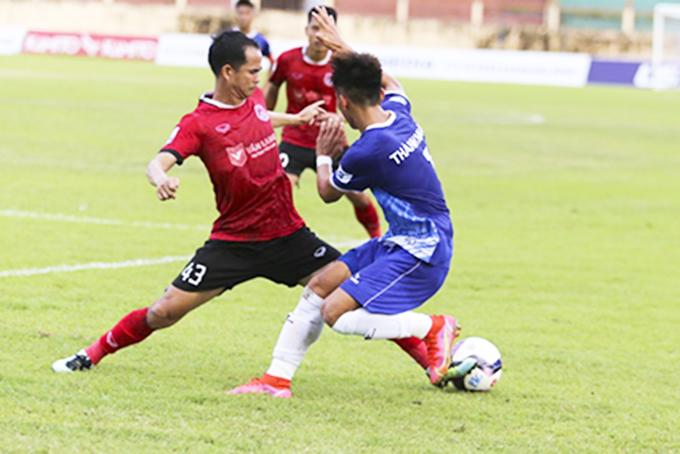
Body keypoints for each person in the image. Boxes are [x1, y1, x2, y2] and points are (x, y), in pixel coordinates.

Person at [50, 31, 339, 385]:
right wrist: (161, 180)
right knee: (164, 311)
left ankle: (428, 353)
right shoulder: (198, 124)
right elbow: (156, 163)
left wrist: (296, 119)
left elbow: (261, 115)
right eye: (251, 71)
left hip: (288, 234)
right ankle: (90, 354)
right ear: (228, 72)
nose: (258, 77)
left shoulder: (255, 98)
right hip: (234, 242)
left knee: (351, 289)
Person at [227, 7, 461, 398]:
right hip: (404, 239)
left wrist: (323, 153)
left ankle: (433, 327)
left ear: (343, 101)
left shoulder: (368, 150)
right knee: (319, 285)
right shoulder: (399, 113)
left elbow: (328, 193)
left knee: (334, 313)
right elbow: (386, 78)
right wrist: (341, 45)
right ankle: (275, 381)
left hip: (423, 251)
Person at [265, 6, 381, 239]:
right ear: (306, 29)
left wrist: (339, 117)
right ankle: (273, 241)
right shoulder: (287, 60)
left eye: (324, 29)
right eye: (314, 28)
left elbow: (359, 103)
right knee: (278, 192)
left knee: (358, 195)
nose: (319, 35)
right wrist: (265, 119)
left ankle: (376, 238)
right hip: (294, 140)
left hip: (332, 140)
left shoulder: (343, 65)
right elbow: (270, 94)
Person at [232, 0, 274, 68]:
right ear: (236, 14)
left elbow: (272, 61)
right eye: (241, 13)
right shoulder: (227, 37)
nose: (243, 17)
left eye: (247, 13)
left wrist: (267, 78)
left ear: (253, 14)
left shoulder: (261, 40)